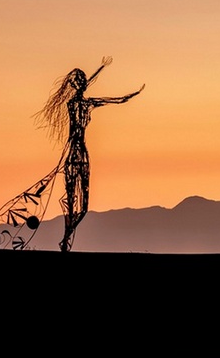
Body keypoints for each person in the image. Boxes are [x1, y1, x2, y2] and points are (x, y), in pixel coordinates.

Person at [35, 57, 144, 251]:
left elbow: (112, 99)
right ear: (77, 84)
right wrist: (125, 93)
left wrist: (104, 71)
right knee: (71, 202)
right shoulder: (75, 105)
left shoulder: (86, 103)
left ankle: (66, 237)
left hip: (82, 155)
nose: (83, 84)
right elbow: (102, 100)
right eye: (81, 82)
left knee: (83, 207)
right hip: (74, 154)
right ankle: (65, 242)